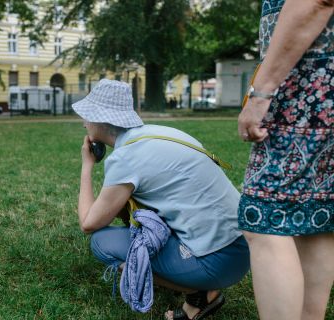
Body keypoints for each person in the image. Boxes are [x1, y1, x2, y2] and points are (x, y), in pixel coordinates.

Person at [73, 79, 250, 319]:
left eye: (87, 115)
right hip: (243, 246)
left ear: (102, 120)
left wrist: (86, 166)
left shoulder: (125, 158)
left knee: (102, 243)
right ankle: (196, 281)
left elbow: (89, 223)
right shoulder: (159, 133)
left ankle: (201, 294)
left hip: (218, 261)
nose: (84, 123)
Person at [238, 1, 334, 319]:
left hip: (309, 89)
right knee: (315, 218)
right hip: (319, 88)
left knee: (265, 220)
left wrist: (261, 92)